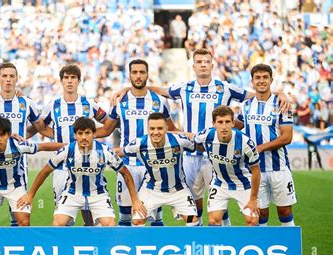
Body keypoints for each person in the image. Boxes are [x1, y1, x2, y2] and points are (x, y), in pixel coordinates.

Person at [113, 48, 289, 226]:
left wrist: (279, 94)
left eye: (206, 61)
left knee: (220, 202)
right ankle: (200, 239)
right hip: (190, 156)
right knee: (195, 204)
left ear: (212, 65)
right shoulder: (184, 88)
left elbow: (257, 95)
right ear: (194, 66)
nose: (203, 65)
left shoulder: (225, 87)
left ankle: (223, 239)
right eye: (199, 62)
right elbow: (160, 90)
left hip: (216, 156)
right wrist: (129, 88)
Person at [17, 118, 146, 226]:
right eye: (80, 133)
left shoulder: (104, 151)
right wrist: (30, 195)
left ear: (94, 134)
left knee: (109, 225)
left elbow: (125, 172)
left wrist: (135, 200)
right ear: (75, 135)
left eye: (87, 133)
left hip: (98, 194)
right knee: (58, 224)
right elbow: (45, 171)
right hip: (72, 193)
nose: (84, 137)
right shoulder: (67, 150)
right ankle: (64, 253)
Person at [96, 59, 176, 227]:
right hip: (127, 166)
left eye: (142, 72)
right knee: (125, 216)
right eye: (134, 72)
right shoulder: (120, 102)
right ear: (129, 74)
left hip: (153, 166)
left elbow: (172, 131)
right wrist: (79, 136)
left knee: (155, 216)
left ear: (147, 74)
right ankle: (125, 250)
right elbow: (106, 130)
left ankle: (155, 250)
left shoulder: (159, 102)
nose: (138, 76)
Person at [0, 62, 51, 226]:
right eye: (4, 76)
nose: (8, 80)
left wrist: (69, 139)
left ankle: (15, 248)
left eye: (11, 76)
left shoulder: (26, 103)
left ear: (17, 79)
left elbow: (41, 128)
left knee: (18, 216)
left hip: (18, 168)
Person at [39, 64, 110, 226]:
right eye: (66, 78)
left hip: (87, 165)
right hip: (61, 168)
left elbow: (107, 125)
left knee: (90, 214)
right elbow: (41, 126)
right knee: (64, 217)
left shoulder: (89, 104)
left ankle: (91, 245)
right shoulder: (53, 105)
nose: (69, 81)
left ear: (79, 81)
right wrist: (56, 135)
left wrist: (92, 136)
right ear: (61, 81)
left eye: (73, 78)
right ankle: (68, 248)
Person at [235, 64, 297, 226]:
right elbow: (235, 127)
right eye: (258, 78)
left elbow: (287, 137)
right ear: (252, 82)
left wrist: (260, 148)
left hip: (279, 167)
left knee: (285, 211)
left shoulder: (282, 104)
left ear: (271, 80)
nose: (261, 81)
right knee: (260, 213)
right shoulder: (246, 106)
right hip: (255, 170)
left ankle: (289, 248)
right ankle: (264, 249)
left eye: (265, 77)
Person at [116, 112, 198, 226]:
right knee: (137, 221)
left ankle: (190, 243)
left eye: (160, 128)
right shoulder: (139, 144)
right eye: (152, 128)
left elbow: (197, 147)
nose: (155, 132)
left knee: (192, 221)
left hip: (178, 190)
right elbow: (118, 152)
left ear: (166, 129)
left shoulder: (179, 141)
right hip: (151, 190)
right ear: (148, 129)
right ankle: (144, 243)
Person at [194, 105, 260, 226]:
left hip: (243, 184)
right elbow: (196, 143)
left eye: (227, 122)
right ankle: (221, 245)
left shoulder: (246, 143)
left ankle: (248, 245)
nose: (224, 126)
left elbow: (256, 171)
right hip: (220, 183)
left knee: (252, 221)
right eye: (220, 122)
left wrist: (253, 199)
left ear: (233, 123)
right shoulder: (205, 136)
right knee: (213, 220)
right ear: (213, 123)